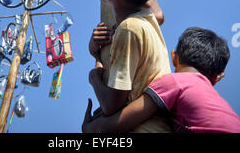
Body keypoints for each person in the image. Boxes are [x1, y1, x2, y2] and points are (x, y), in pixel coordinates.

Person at [83, 27, 240, 134]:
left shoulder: (174, 83)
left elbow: (120, 122)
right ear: (217, 78)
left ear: (174, 57)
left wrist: (89, 128)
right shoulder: (220, 103)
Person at [87, 0, 172, 133]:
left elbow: (111, 106)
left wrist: (94, 77)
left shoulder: (129, 29)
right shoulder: (145, 22)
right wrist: (95, 50)